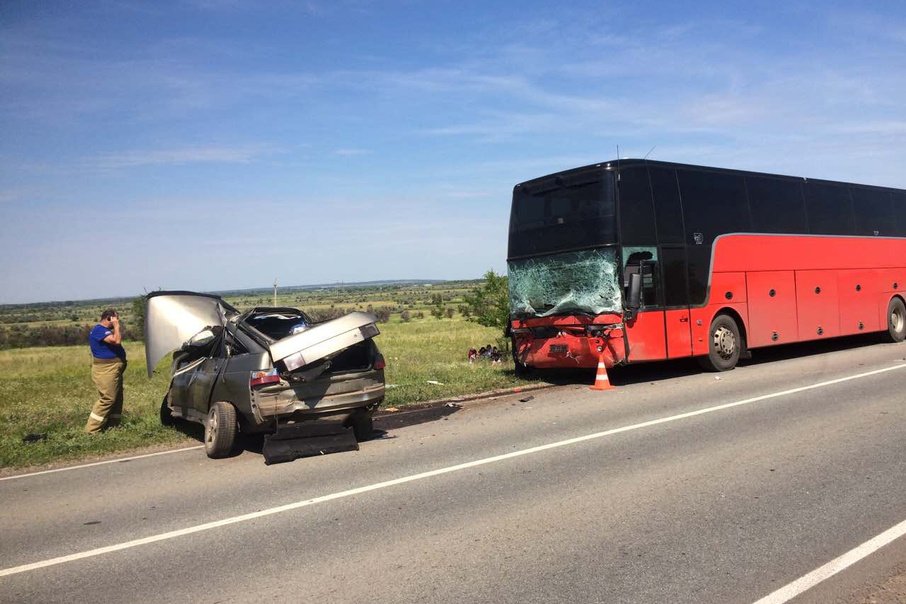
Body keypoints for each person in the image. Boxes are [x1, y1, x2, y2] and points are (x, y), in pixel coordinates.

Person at [85, 309, 127, 433]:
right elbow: (116, 341)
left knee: (117, 398)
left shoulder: (104, 331)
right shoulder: (99, 330)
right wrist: (116, 326)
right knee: (108, 398)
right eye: (116, 318)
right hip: (106, 370)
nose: (117, 321)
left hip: (113, 369)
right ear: (109, 318)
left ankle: (113, 426)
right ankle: (92, 430)